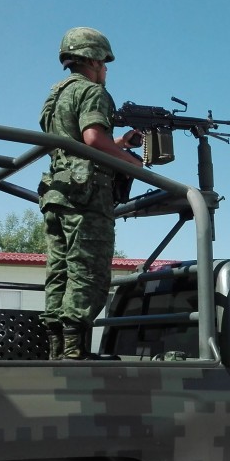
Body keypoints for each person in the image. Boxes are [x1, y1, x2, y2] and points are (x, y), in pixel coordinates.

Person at [38, 27, 143, 360]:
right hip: (86, 196)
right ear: (95, 59)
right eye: (105, 63)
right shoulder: (92, 92)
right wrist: (134, 165)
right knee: (89, 271)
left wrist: (121, 145)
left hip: (57, 193)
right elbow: (93, 139)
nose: (106, 70)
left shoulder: (57, 94)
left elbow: (75, 142)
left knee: (60, 272)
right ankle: (75, 351)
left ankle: (58, 348)